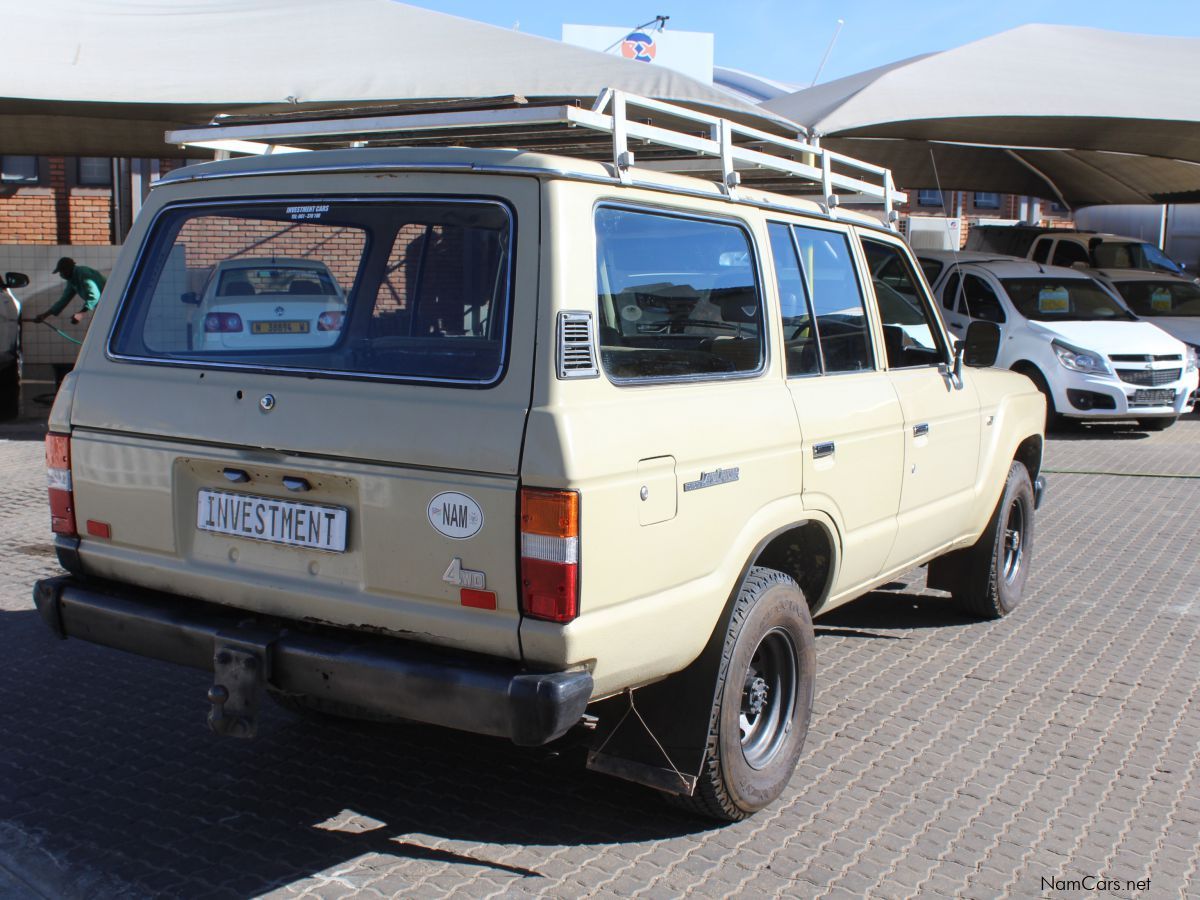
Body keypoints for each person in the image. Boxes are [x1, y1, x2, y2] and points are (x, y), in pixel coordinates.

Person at [34, 257, 106, 325]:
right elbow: (64, 299)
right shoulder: (72, 280)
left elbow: (95, 296)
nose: (61, 275)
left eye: (61, 272)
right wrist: (45, 315)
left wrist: (81, 313)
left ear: (67, 269)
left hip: (112, 302)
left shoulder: (83, 274)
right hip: (105, 305)